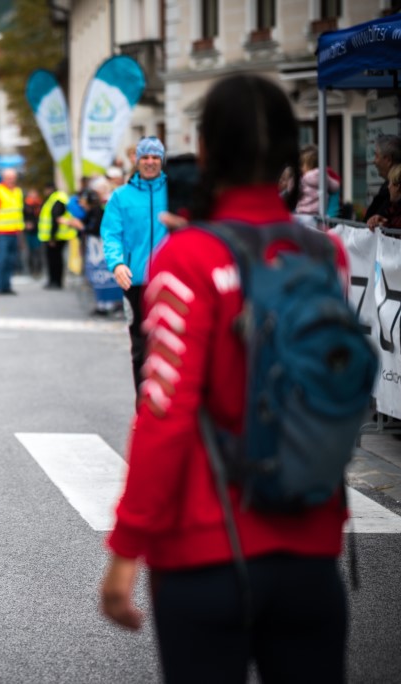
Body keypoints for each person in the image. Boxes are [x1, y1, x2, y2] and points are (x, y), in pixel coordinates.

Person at [99, 74, 350, 683]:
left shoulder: (189, 257)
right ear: (289, 153)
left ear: (205, 151)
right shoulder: (326, 255)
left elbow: (165, 412)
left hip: (207, 551)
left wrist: (127, 545)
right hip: (313, 550)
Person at [101, 136, 168, 392]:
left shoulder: (175, 193)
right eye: (145, 157)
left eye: (155, 157)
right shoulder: (121, 196)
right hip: (136, 281)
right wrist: (117, 264)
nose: (150, 162)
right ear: (137, 160)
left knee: (171, 346)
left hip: (170, 282)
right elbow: (111, 235)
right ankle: (144, 407)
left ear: (162, 160)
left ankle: (169, 407)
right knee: (140, 347)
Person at [0, 168, 24, 295]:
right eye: (9, 178)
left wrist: (20, 231)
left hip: (14, 232)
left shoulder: (18, 191)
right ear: (4, 178)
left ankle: (7, 286)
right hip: (2, 232)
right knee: (1, 260)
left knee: (11, 261)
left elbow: (18, 213)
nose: (11, 180)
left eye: (13, 178)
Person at [38, 185, 79, 289]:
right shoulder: (59, 198)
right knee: (56, 259)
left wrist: (52, 237)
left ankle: (55, 282)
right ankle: (55, 281)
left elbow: (55, 219)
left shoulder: (57, 199)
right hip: (58, 235)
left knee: (54, 260)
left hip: (56, 236)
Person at [365, 134, 401, 229]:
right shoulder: (386, 189)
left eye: (376, 155)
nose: (374, 161)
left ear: (388, 160)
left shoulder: (390, 193)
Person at [295, 144, 340, 216]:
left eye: (302, 165)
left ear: (308, 165)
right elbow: (335, 187)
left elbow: (296, 193)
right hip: (320, 215)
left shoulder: (303, 179)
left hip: (303, 213)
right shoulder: (325, 177)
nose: (300, 168)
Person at [23, 188, 44, 278]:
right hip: (29, 232)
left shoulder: (40, 204)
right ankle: (32, 269)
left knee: (38, 251)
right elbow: (23, 217)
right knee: (30, 252)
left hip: (39, 231)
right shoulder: (25, 205)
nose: (34, 198)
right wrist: (26, 224)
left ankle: (38, 269)